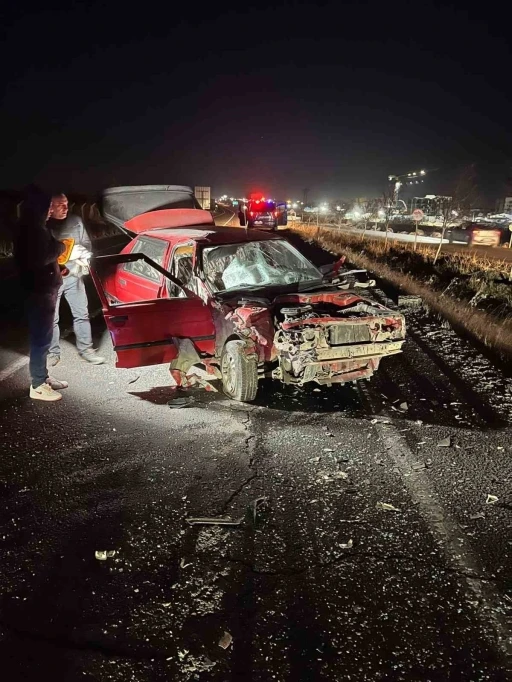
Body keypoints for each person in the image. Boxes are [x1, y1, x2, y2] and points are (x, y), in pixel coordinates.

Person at [13, 186, 69, 401]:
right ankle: (37, 385)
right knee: (41, 339)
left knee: (43, 338)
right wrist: (60, 247)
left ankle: (42, 377)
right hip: (39, 292)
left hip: (44, 288)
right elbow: (39, 256)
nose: (49, 210)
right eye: (47, 206)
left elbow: (40, 260)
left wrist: (58, 268)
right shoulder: (32, 229)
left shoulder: (37, 227)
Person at [47, 193, 105, 366]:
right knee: (51, 318)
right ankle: (53, 352)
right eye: (60, 205)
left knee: (82, 313)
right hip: (52, 280)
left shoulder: (76, 221)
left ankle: (86, 349)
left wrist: (83, 258)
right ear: (50, 207)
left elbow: (87, 245)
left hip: (74, 277)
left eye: (66, 204)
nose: (65, 208)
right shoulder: (44, 226)